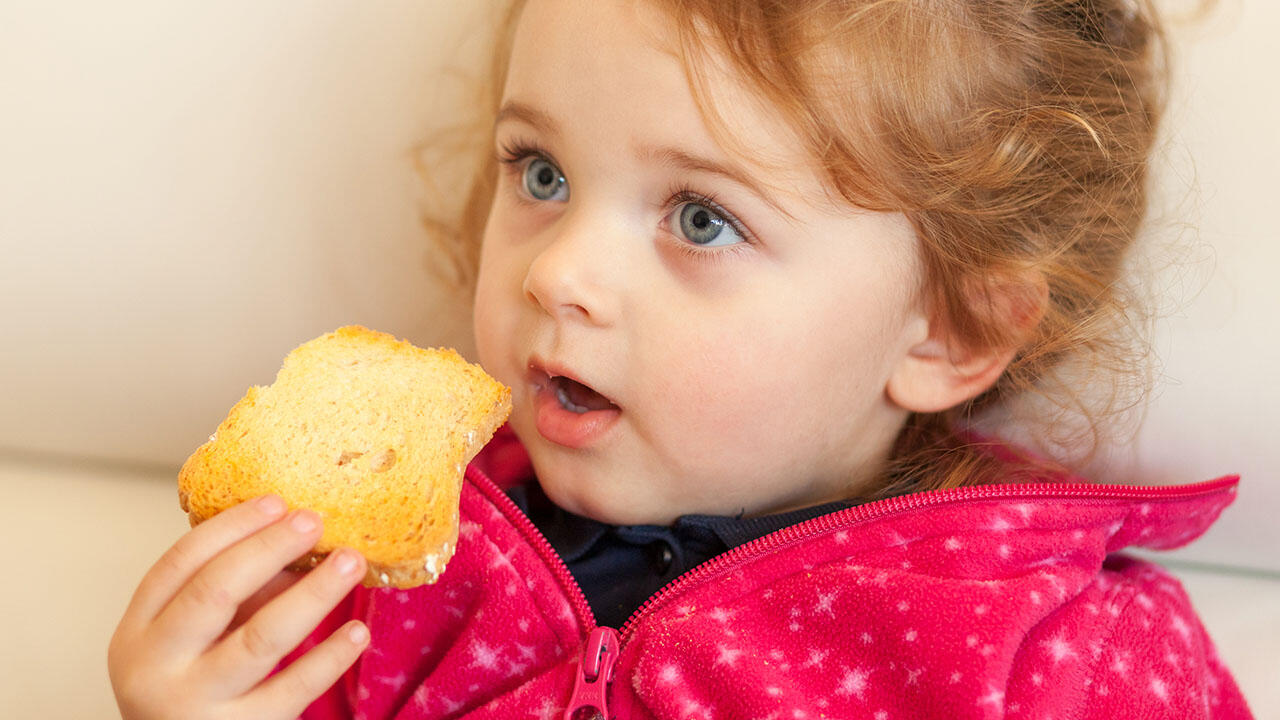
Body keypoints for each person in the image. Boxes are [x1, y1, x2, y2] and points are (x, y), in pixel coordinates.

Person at [108, 0, 1255, 718]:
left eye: (700, 220)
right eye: (540, 173)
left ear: (948, 328)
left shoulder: (1064, 659)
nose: (556, 274)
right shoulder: (379, 578)